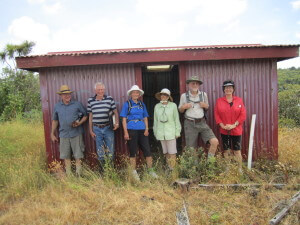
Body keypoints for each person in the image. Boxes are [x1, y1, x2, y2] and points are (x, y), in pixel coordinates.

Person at [120, 85, 158, 181]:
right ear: (131, 94)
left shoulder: (142, 104)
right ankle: (133, 172)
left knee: (147, 150)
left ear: (139, 94)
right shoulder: (127, 104)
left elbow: (145, 117)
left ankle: (151, 170)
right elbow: (124, 119)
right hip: (131, 129)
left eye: (137, 92)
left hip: (142, 129)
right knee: (133, 151)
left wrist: (146, 129)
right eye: (134, 92)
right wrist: (125, 132)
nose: (136, 94)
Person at [178, 76, 219, 161]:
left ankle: (209, 164)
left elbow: (207, 107)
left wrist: (205, 105)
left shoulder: (203, 95)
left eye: (197, 83)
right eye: (193, 83)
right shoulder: (184, 96)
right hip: (189, 123)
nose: (195, 85)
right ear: (189, 84)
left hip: (202, 122)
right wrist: (184, 107)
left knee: (214, 141)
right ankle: (195, 169)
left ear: (199, 85)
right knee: (191, 149)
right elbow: (180, 110)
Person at [51, 85, 88, 176]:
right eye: (64, 94)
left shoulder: (77, 104)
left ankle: (78, 175)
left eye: (68, 94)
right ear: (61, 96)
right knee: (66, 156)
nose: (67, 96)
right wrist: (52, 133)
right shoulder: (57, 106)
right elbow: (55, 120)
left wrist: (79, 123)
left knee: (78, 156)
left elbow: (86, 115)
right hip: (63, 135)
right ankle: (69, 176)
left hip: (77, 133)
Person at [214, 80, 246, 172]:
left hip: (236, 130)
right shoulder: (219, 101)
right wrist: (222, 125)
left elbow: (243, 115)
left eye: (230, 87)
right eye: (226, 87)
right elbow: (216, 114)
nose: (228, 89)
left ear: (233, 89)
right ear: (223, 89)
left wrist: (234, 125)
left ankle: (240, 168)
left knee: (237, 150)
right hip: (224, 130)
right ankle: (227, 168)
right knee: (226, 150)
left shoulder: (239, 100)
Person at [87, 82, 119, 169]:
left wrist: (117, 123)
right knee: (100, 151)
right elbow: (90, 116)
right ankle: (102, 171)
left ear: (104, 90)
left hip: (108, 127)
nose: (100, 91)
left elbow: (115, 112)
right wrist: (90, 130)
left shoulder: (109, 98)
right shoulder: (90, 100)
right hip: (96, 128)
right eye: (99, 89)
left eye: (102, 89)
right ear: (95, 90)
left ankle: (111, 170)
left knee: (110, 150)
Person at [153, 88, 181, 171]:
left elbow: (176, 119)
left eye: (165, 95)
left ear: (168, 97)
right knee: (166, 152)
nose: (163, 96)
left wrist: (177, 131)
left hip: (171, 132)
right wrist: (156, 132)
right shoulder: (157, 106)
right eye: (162, 94)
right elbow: (155, 121)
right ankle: (169, 169)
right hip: (161, 133)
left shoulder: (173, 105)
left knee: (172, 152)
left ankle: (173, 170)